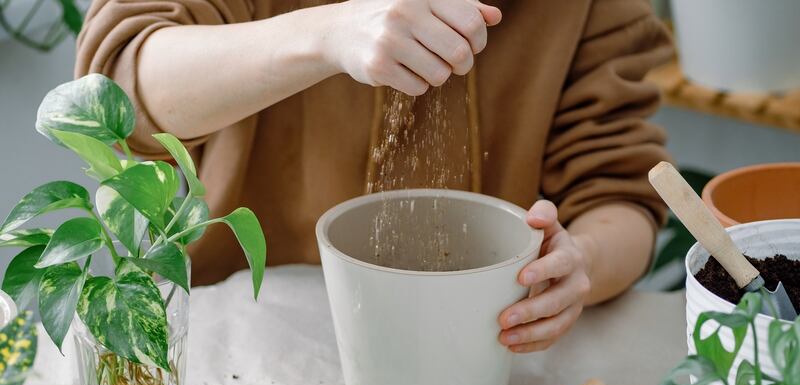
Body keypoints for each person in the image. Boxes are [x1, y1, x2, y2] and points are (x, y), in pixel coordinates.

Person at [76, 0, 673, 353]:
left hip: (481, 349)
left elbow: (618, 188)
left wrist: (582, 262)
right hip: (248, 336)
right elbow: (121, 87)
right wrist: (325, 34)